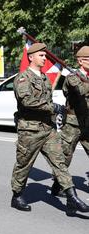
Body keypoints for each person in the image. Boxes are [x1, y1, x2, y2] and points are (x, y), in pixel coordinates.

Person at [10, 42, 89, 215]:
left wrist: (53, 112)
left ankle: (71, 196)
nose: (45, 58)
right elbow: (27, 101)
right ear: (31, 57)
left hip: (48, 129)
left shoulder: (44, 77)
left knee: (59, 162)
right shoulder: (23, 78)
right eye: (42, 55)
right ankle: (17, 195)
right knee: (24, 164)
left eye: (45, 55)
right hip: (30, 130)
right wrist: (53, 108)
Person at [51, 46, 89, 196]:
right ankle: (57, 184)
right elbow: (81, 90)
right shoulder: (72, 77)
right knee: (65, 156)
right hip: (73, 124)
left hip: (87, 123)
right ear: (80, 61)